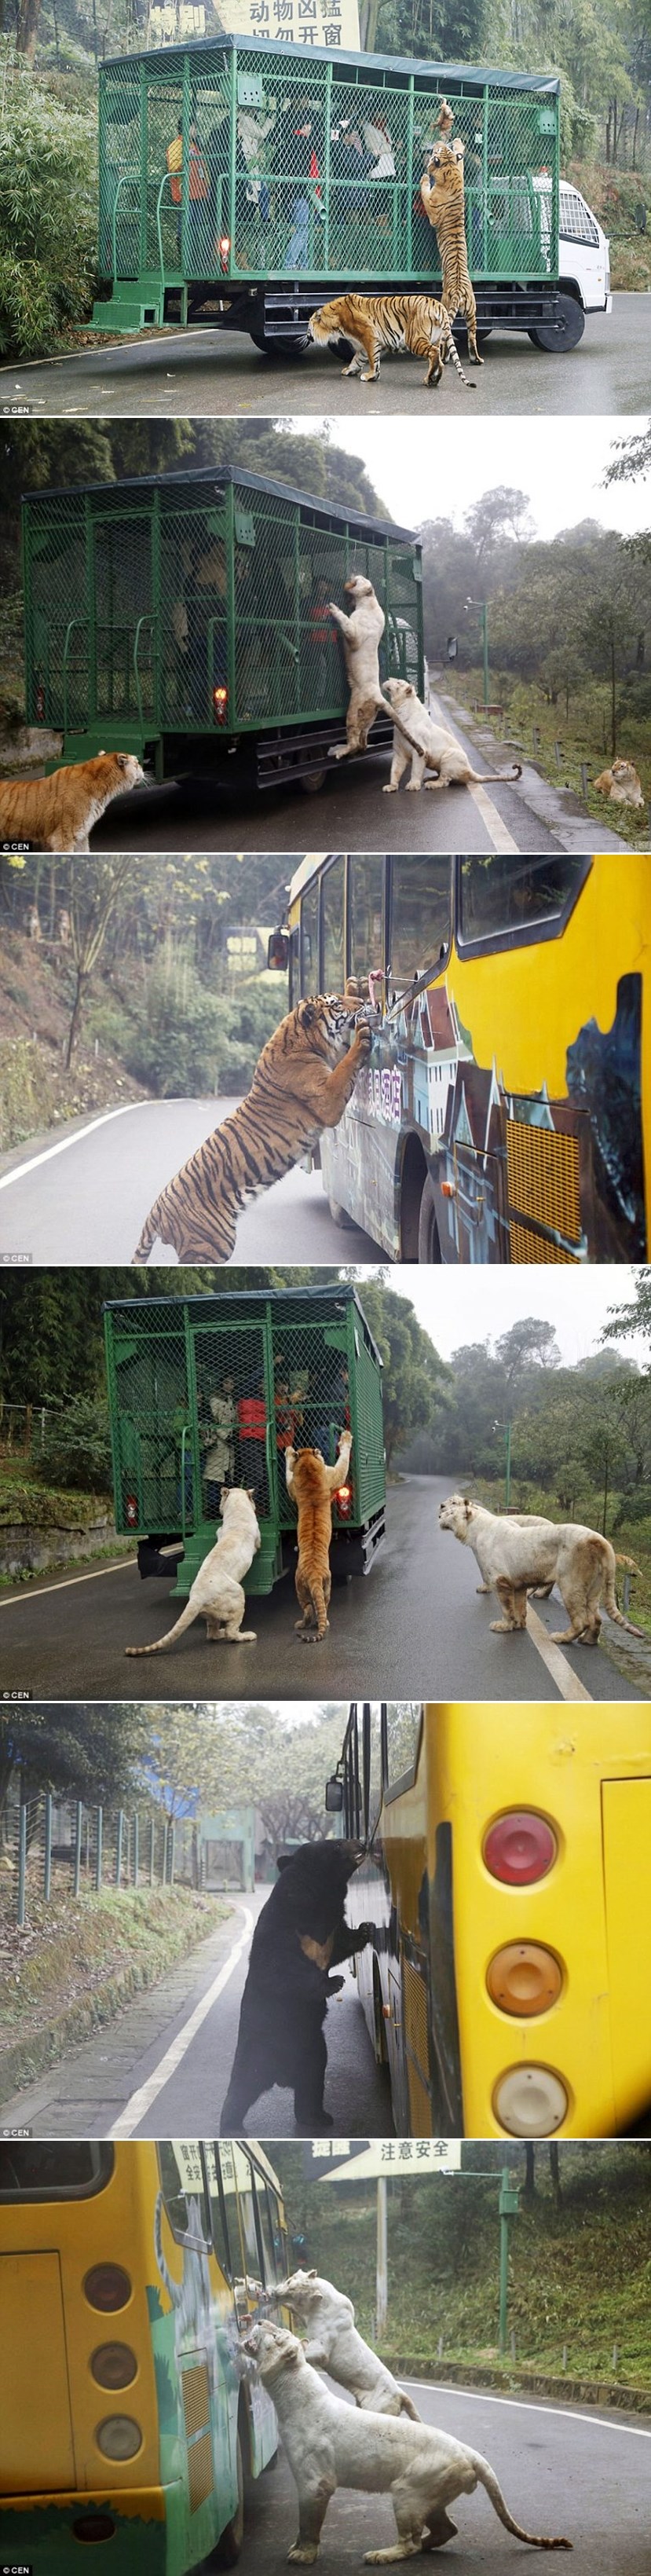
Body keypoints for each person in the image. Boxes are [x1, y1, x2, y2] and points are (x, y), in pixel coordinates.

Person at [166, 117, 210, 273]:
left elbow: (203, 167)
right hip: (186, 193)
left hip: (200, 193)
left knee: (197, 228)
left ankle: (196, 262)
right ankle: (185, 262)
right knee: (185, 227)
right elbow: (173, 167)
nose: (196, 131)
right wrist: (185, 157)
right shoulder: (177, 145)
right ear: (187, 127)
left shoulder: (195, 145)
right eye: (194, 127)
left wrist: (208, 186)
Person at [201, 1378, 236, 1518]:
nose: (230, 1385)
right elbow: (213, 1421)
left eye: (232, 1383)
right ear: (221, 1384)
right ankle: (212, 1510)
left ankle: (225, 1510)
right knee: (214, 1478)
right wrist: (225, 1436)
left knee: (227, 1477)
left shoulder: (231, 1401)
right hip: (218, 1444)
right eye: (227, 1383)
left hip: (230, 1446)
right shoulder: (214, 1401)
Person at [237, 1376, 268, 1502]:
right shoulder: (244, 1396)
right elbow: (250, 1383)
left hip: (261, 1439)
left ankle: (256, 1504)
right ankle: (248, 1503)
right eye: (260, 1383)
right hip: (249, 1439)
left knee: (262, 1475)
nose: (262, 1387)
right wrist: (272, 1363)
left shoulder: (263, 1400)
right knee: (256, 1475)